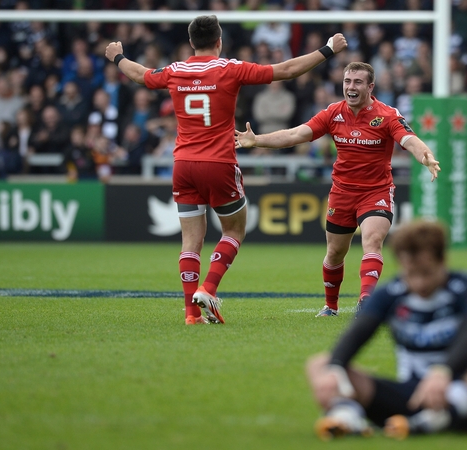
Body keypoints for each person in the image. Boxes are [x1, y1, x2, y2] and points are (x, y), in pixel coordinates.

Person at [105, 15, 348, 325]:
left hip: (182, 164)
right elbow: (285, 70)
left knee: (190, 241)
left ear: (192, 42)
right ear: (219, 42)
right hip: (218, 162)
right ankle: (208, 288)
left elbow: (139, 75)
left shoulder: (175, 71)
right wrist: (328, 49)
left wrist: (118, 56)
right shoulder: (230, 69)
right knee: (234, 229)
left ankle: (192, 314)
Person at [235, 62, 440, 318]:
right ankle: (330, 306)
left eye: (357, 82)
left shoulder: (387, 115)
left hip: (375, 191)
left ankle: (367, 301)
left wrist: (426, 157)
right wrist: (257, 140)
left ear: (370, 86)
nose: (351, 87)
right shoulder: (333, 113)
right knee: (334, 254)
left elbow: (410, 140)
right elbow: (296, 135)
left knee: (372, 241)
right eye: (347, 81)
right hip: (342, 193)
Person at [305, 220, 467, 440]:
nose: (419, 283)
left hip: (460, 394)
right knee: (321, 364)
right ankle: (347, 419)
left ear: (443, 260)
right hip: (412, 396)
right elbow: (357, 335)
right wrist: (335, 369)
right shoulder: (391, 293)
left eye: (426, 273)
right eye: (411, 274)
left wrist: (444, 371)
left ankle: (431, 422)